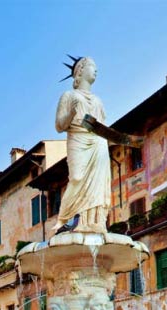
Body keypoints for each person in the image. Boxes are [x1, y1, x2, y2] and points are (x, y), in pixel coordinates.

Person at [54, 56, 110, 234]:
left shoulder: (98, 101)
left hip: (98, 142)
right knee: (77, 178)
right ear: (80, 71)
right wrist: (71, 112)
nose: (96, 70)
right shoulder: (69, 96)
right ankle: (62, 220)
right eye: (92, 66)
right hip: (78, 139)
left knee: (99, 183)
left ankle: (94, 221)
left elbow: (102, 126)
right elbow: (59, 126)